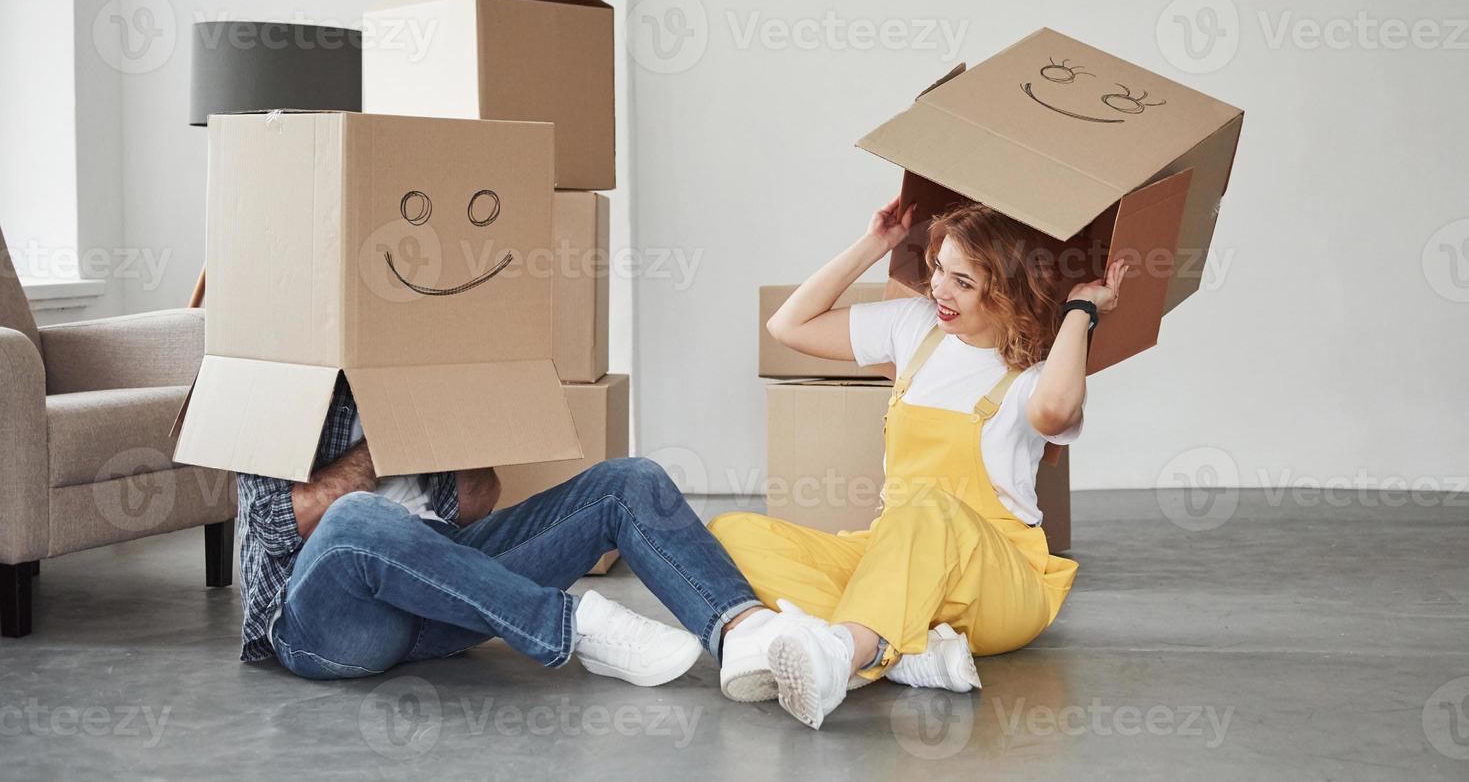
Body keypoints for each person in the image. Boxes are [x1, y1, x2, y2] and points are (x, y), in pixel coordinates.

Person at [709, 195, 1127, 729]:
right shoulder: (916, 329)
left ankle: (843, 654)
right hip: (898, 556)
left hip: (998, 585)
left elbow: (1055, 410)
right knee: (728, 535)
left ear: (1006, 292)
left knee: (927, 506)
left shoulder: (1033, 377)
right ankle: (910, 649)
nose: (939, 290)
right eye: (938, 270)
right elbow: (789, 326)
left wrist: (1079, 311)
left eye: (963, 282)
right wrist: (875, 243)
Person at [236, 374, 784, 686]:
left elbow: (475, 503)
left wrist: (458, 420)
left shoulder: (413, 372)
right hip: (330, 625)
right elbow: (280, 525)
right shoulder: (276, 381)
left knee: (628, 479)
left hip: (446, 600)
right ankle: (572, 625)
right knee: (358, 516)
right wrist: (386, 439)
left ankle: (746, 633)